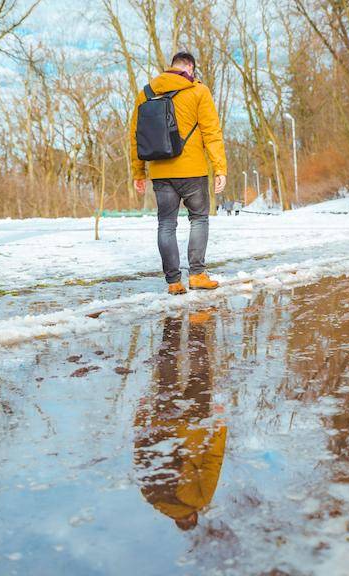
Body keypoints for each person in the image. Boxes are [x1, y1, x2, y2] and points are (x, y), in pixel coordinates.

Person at [130, 51, 228, 296]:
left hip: (161, 172)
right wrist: (220, 168)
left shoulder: (146, 94)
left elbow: (135, 138)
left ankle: (174, 282)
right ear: (190, 68)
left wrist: (139, 173)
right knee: (199, 218)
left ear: (171, 67)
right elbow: (212, 133)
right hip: (192, 170)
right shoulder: (198, 91)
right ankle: (197, 275)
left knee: (166, 224)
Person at [133, 311, 227, 531]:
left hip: (193, 426)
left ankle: (197, 322)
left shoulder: (198, 501)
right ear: (175, 519)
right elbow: (141, 454)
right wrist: (142, 417)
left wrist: (220, 424)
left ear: (192, 518)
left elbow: (213, 461)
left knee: (200, 374)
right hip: (162, 425)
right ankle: (172, 322)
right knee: (167, 376)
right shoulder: (150, 496)